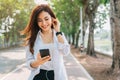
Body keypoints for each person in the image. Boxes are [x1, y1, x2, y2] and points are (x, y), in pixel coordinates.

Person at [20, 4, 70, 80]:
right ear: (36, 22)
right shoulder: (32, 39)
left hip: (58, 76)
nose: (43, 23)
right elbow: (29, 63)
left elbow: (66, 52)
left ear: (52, 19)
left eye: (46, 19)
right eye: (39, 20)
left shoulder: (59, 35)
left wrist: (58, 32)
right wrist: (37, 62)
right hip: (39, 76)